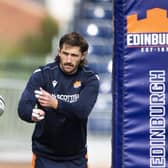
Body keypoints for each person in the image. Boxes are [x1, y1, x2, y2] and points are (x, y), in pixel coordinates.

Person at [18, 32, 100, 168]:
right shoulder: (43, 75)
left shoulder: (90, 79)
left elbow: (82, 111)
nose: (68, 59)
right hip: (44, 156)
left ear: (82, 56)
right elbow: (23, 108)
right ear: (59, 52)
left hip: (76, 157)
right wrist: (31, 114)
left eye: (74, 55)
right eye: (65, 53)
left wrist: (55, 103)